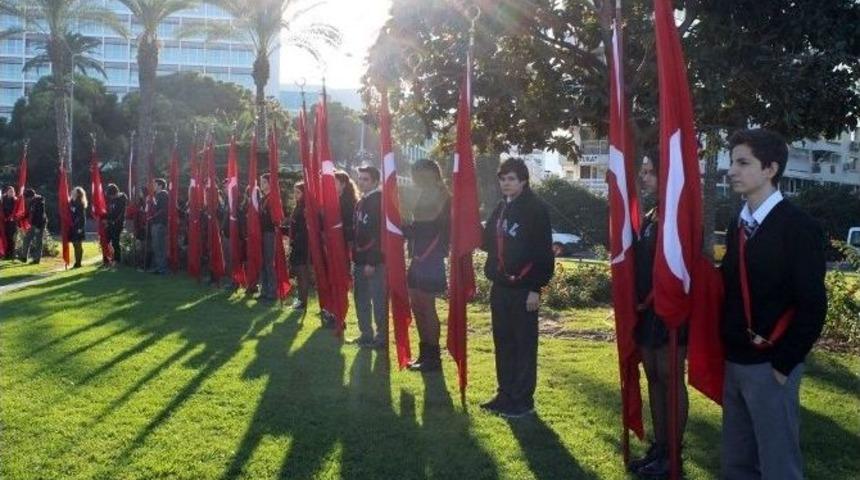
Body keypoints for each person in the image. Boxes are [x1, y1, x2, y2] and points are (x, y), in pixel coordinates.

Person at [720, 129, 827, 480]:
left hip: (771, 366)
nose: (731, 170)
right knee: (737, 463)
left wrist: (783, 364)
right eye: (732, 161)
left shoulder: (799, 227)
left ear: (770, 169)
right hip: (735, 361)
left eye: (742, 162)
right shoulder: (738, 221)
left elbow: (812, 305)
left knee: (778, 465)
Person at [627, 155, 689, 477]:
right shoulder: (651, 215)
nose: (645, 177)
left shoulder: (677, 214)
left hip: (669, 309)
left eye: (651, 172)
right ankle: (660, 447)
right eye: (644, 171)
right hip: (647, 310)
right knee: (653, 374)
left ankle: (674, 455)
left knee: (669, 377)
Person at [479, 158, 554, 418]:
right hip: (501, 286)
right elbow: (487, 241)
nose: (506, 183)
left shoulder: (536, 209)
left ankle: (523, 400)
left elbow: (543, 252)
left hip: (524, 288)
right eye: (502, 179)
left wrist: (536, 287)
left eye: (511, 178)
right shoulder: (501, 208)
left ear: (523, 180)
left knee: (523, 344)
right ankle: (505, 393)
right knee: (503, 341)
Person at [403, 159, 450, 372]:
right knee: (416, 305)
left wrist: (409, 230)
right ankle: (424, 353)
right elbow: (417, 226)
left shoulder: (443, 196)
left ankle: (434, 357)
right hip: (417, 258)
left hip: (431, 260)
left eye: (416, 173)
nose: (413, 178)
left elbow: (440, 231)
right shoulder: (421, 194)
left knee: (427, 306)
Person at [349, 166, 386, 348]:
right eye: (360, 178)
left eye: (365, 179)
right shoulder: (360, 202)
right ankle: (366, 334)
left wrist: (372, 261)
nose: (361, 182)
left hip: (374, 262)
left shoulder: (379, 201)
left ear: (375, 181)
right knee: (360, 298)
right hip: (359, 260)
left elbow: (379, 235)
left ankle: (381, 338)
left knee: (378, 300)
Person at [288, 182, 310, 311]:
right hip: (296, 243)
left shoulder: (305, 208)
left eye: (298, 192)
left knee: (302, 274)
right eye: (294, 192)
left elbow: (303, 229)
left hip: (302, 245)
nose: (295, 195)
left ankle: (303, 302)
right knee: (298, 273)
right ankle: (300, 299)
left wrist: (295, 241)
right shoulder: (298, 206)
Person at [259, 173, 276, 301]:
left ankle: (272, 291)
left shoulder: (273, 198)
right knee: (262, 262)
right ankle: (264, 290)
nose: (261, 184)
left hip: (270, 233)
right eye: (261, 182)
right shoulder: (262, 198)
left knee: (269, 262)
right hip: (261, 233)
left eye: (264, 182)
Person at [20, 188, 47, 264]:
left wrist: (38, 227)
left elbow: (40, 215)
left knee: (38, 241)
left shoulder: (40, 201)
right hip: (33, 223)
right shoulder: (32, 201)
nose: (27, 200)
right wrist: (23, 217)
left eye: (28, 198)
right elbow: (29, 212)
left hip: (40, 223)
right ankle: (24, 257)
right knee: (26, 239)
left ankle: (37, 259)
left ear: (32, 196)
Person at [149, 179, 169, 274]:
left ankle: (163, 269)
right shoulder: (155, 196)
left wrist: (153, 216)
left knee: (160, 246)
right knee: (156, 246)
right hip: (155, 223)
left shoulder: (164, 195)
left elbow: (163, 209)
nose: (153, 186)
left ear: (160, 186)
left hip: (160, 223)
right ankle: (158, 267)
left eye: (155, 184)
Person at [105, 184, 127, 267]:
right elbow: (110, 211)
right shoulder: (112, 200)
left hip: (117, 224)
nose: (110, 197)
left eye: (111, 195)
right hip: (110, 223)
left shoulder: (121, 199)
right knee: (106, 240)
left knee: (115, 242)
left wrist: (111, 219)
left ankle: (117, 260)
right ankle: (108, 259)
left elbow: (119, 213)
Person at [69, 187, 88, 268]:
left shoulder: (80, 203)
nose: (72, 192)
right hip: (72, 227)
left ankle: (78, 263)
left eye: (73, 191)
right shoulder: (71, 202)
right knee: (74, 244)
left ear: (78, 194)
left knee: (78, 244)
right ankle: (77, 261)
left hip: (78, 227)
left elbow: (82, 217)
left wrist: (80, 228)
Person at [2, 186, 17, 260]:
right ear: (7, 192)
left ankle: (12, 254)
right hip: (4, 221)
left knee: (11, 238)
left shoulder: (15, 200)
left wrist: (10, 217)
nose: (11, 193)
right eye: (10, 191)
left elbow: (15, 211)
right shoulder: (3, 199)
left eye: (12, 191)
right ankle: (6, 254)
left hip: (12, 221)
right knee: (6, 237)